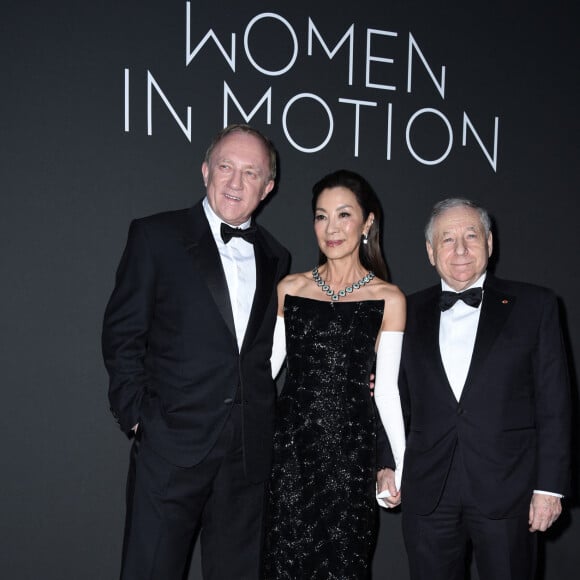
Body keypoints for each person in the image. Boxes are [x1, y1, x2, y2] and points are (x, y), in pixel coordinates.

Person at [102, 124, 290, 580]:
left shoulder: (276, 256)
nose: (235, 182)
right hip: (170, 448)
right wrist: (138, 416)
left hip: (246, 459)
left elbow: (265, 353)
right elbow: (122, 332)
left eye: (251, 173)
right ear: (206, 170)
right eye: (225, 166)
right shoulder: (156, 236)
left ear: (267, 188)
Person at [399, 198, 571, 580]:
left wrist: (551, 488)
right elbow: (393, 401)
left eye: (470, 236)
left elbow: (554, 403)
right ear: (430, 251)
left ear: (490, 243)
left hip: (509, 492)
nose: (460, 249)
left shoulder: (535, 305)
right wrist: (385, 463)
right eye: (447, 239)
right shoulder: (404, 311)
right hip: (428, 492)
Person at [262, 169, 406, 579]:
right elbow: (266, 372)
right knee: (282, 563)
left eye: (343, 215)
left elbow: (388, 391)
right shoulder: (289, 288)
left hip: (351, 455)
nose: (331, 228)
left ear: (367, 222)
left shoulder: (388, 298)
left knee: (343, 565)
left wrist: (398, 465)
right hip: (289, 452)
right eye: (321, 216)